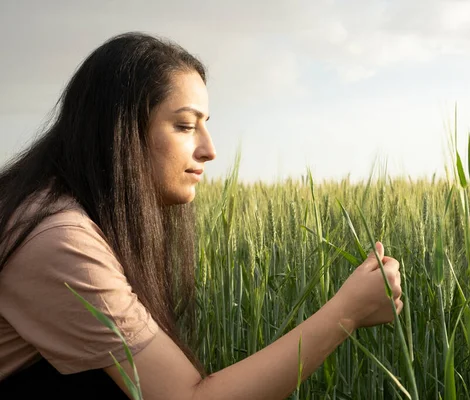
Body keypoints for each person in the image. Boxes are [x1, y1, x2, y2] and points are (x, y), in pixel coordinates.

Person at [0, 32, 403, 399]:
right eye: (184, 126)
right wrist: (346, 311)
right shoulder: (57, 238)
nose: (209, 149)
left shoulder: (59, 211)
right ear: (120, 131)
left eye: (205, 125)